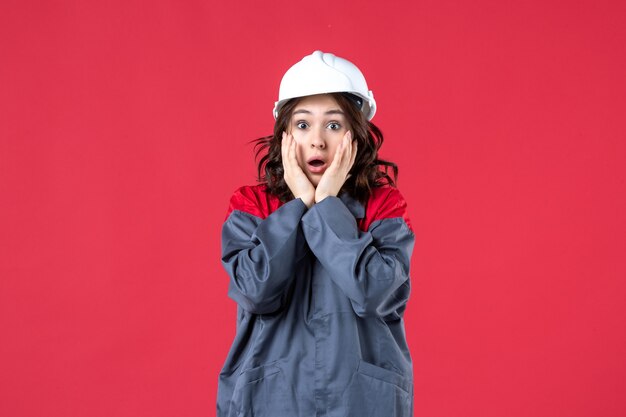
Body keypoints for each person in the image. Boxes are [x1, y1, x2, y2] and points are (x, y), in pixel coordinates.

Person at [217, 50, 415, 417]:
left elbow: (374, 294)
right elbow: (254, 290)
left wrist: (325, 205)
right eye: (304, 124)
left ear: (357, 135)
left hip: (361, 400)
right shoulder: (251, 204)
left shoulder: (384, 206)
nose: (318, 141)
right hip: (269, 397)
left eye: (334, 125)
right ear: (285, 134)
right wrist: (299, 207)